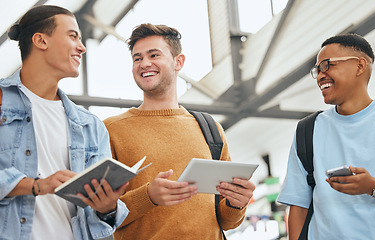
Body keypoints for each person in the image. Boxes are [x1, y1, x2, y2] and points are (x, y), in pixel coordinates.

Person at [103, 23, 255, 240]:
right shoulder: (111, 130)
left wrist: (236, 203)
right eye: (137, 58)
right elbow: (100, 214)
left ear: (178, 61)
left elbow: (225, 221)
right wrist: (148, 196)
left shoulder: (210, 129)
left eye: (154, 55)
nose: (144, 63)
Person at [0, 5, 129, 240]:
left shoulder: (90, 126)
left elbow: (97, 222)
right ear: (41, 40)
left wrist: (107, 208)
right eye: (73, 36)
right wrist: (36, 185)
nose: (82, 47)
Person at [277, 33, 375, 239]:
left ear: (360, 66)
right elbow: (298, 207)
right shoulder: (307, 131)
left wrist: (374, 187)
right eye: (317, 70)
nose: (320, 76)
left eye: (327, 65)